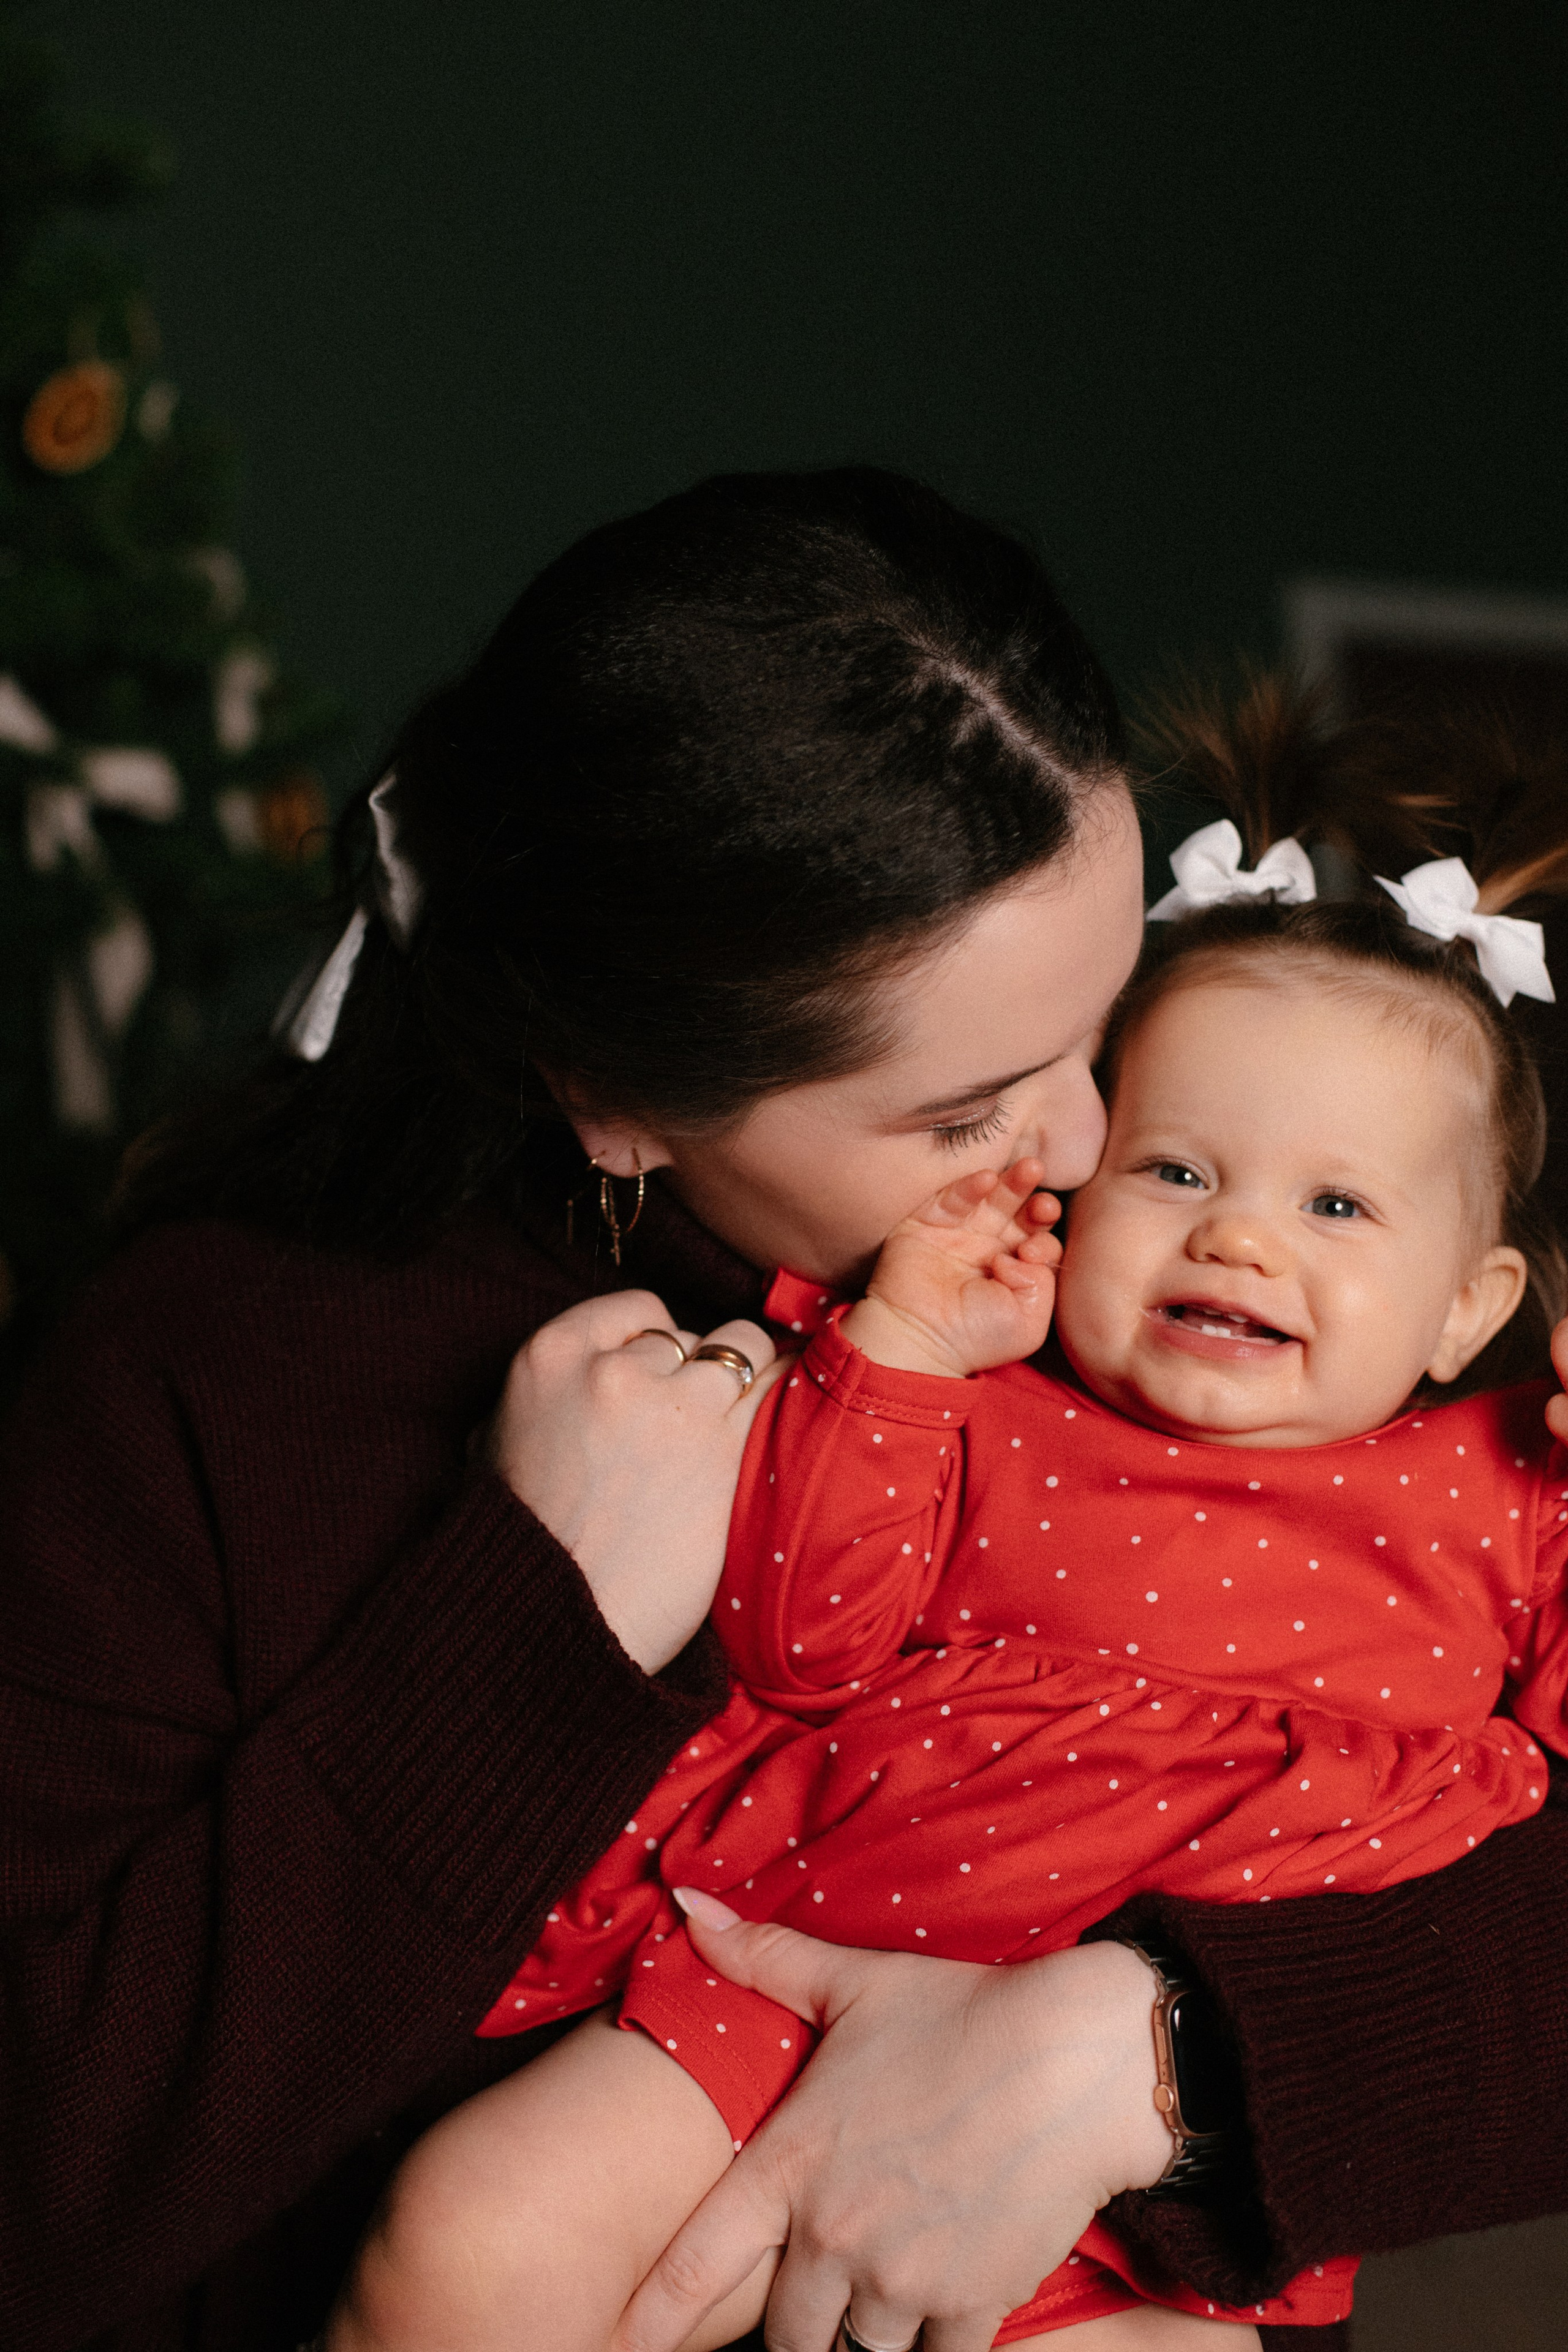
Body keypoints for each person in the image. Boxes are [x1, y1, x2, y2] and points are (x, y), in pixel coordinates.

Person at [0, 474, 1564, 2352]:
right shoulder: (216, 1379)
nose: (1086, 1154)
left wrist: (1134, 2061)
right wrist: (532, 1627)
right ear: (617, 1095)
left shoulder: (1219, 1322)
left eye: (1104, 1031)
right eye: (971, 1106)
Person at [323, 760, 1568, 2351]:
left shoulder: (1508, 1491)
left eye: (1338, 1205)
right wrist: (901, 1351)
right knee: (473, 2241)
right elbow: (801, 1640)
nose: (1240, 1238)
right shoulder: (982, 1402)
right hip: (812, 1968)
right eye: (1177, 1172)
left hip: (1172, 2165)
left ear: (1473, 1306)